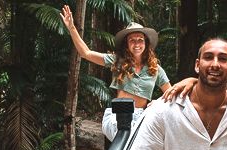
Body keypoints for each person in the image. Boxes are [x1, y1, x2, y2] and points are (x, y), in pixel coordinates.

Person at [61, 5, 171, 141]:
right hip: (118, 116)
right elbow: (86, 53)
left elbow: (171, 93)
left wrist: (158, 102)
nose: (137, 44)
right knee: (125, 145)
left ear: (146, 43)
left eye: (140, 40)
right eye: (132, 40)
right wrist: (71, 27)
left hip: (141, 117)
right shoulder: (117, 61)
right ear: (127, 44)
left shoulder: (156, 69)